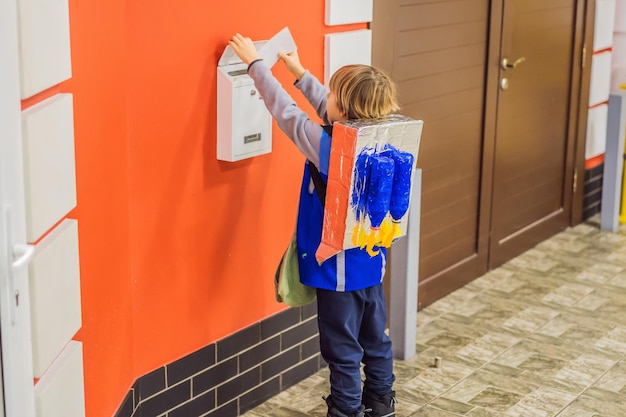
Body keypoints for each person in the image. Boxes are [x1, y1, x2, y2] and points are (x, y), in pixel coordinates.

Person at [228, 33, 399, 417]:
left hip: (336, 271)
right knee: (376, 340)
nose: (329, 100)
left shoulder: (328, 148)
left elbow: (287, 113)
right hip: (371, 264)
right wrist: (300, 72)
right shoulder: (377, 135)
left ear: (347, 108)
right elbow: (333, 108)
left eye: (335, 95)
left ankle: (345, 411)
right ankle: (382, 405)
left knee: (341, 351)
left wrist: (256, 65)